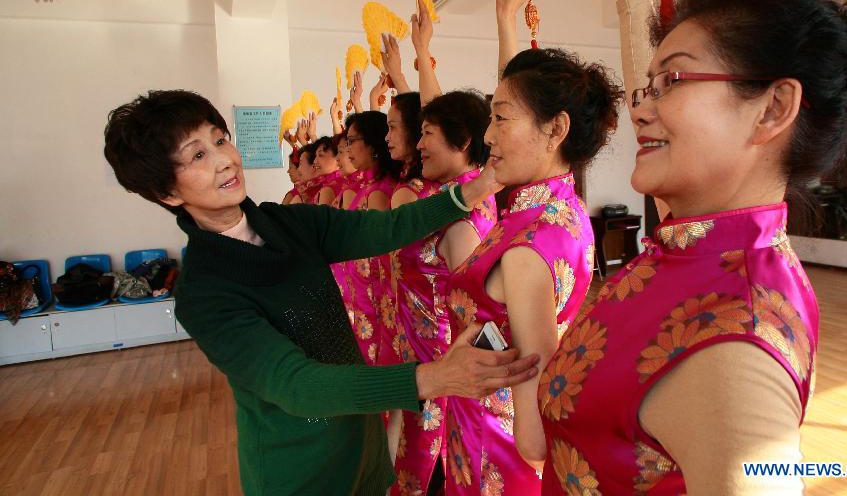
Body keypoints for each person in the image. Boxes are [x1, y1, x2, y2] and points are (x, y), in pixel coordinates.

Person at [535, 0, 847, 494]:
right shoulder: (693, 241)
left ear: (774, 108)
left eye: (670, 81)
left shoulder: (735, 336)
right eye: (648, 85)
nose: (640, 106)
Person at [102, 89, 540, 496]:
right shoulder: (204, 292)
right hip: (299, 468)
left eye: (220, 140)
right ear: (166, 191)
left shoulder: (288, 224)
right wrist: (435, 377)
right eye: (197, 154)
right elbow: (296, 385)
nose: (224, 160)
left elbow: (385, 228)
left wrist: (480, 187)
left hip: (360, 445)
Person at [441, 0, 623, 495]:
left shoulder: (528, 245)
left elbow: (536, 435)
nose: (488, 135)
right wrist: (506, 20)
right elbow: (522, 103)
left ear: (556, 130)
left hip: (491, 453)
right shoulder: (553, 210)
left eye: (499, 119)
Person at [389, 90, 498, 494]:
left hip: (439, 361)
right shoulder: (451, 198)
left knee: (424, 469)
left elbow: (474, 309)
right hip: (422, 352)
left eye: (428, 133)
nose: (419, 145)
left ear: (464, 141)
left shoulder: (461, 213)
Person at [339, 110, 403, 364]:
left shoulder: (379, 191)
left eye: (352, 140)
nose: (348, 148)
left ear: (372, 143)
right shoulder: (367, 185)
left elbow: (376, 252)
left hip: (372, 297)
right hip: (359, 293)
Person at [310, 135, 343, 206]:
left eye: (321, 155)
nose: (315, 161)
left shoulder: (328, 189)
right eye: (316, 156)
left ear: (337, 157)